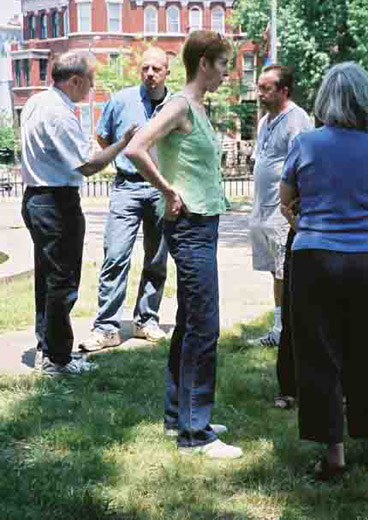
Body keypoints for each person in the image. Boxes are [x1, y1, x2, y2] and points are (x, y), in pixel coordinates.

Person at [125, 30, 243, 460]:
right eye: (223, 64)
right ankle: (196, 435)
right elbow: (137, 148)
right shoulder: (178, 104)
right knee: (203, 325)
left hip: (201, 225)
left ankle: (181, 416)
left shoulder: (196, 108)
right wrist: (167, 190)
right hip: (190, 224)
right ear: (205, 63)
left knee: (191, 319)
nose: (227, 72)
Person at [280, 61, 368, 480]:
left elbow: (286, 201)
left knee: (319, 353)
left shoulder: (306, 144)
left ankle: (333, 453)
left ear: (327, 97)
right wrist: (363, 224)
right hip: (367, 259)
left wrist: (307, 227)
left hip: (315, 258)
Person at [21, 51, 135, 377]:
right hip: (56, 202)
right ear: (74, 80)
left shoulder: (36, 102)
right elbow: (89, 164)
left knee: (47, 279)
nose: (92, 87)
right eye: (90, 81)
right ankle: (58, 359)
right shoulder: (58, 112)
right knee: (62, 281)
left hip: (36, 197)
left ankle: (48, 349)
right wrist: (123, 142)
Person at [79, 48, 170, 352]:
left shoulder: (176, 105)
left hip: (161, 189)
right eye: (145, 68)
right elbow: (104, 137)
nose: (150, 74)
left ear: (166, 72)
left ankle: (147, 319)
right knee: (115, 255)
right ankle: (106, 327)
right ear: (139, 71)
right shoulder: (121, 101)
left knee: (156, 258)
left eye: (157, 68)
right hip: (127, 187)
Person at [248, 65, 312, 347]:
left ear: (284, 90)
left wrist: (292, 209)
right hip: (263, 208)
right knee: (276, 272)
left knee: (285, 270)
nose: (259, 93)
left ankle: (284, 330)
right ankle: (280, 327)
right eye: (259, 87)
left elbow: (302, 167)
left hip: (283, 211)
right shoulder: (265, 121)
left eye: (266, 88)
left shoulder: (297, 120)